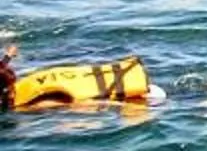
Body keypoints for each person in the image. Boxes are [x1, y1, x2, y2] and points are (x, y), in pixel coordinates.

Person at [0, 43, 157, 111]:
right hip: (128, 90)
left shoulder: (23, 100)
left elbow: (74, 104)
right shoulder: (27, 97)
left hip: (141, 97)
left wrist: (9, 55)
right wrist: (8, 56)